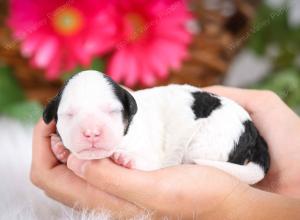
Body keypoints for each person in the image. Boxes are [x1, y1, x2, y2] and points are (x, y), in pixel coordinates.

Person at [30, 86, 300, 219]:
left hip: (221, 135)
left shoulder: (142, 124)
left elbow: (151, 161)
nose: (90, 131)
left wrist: (234, 205)